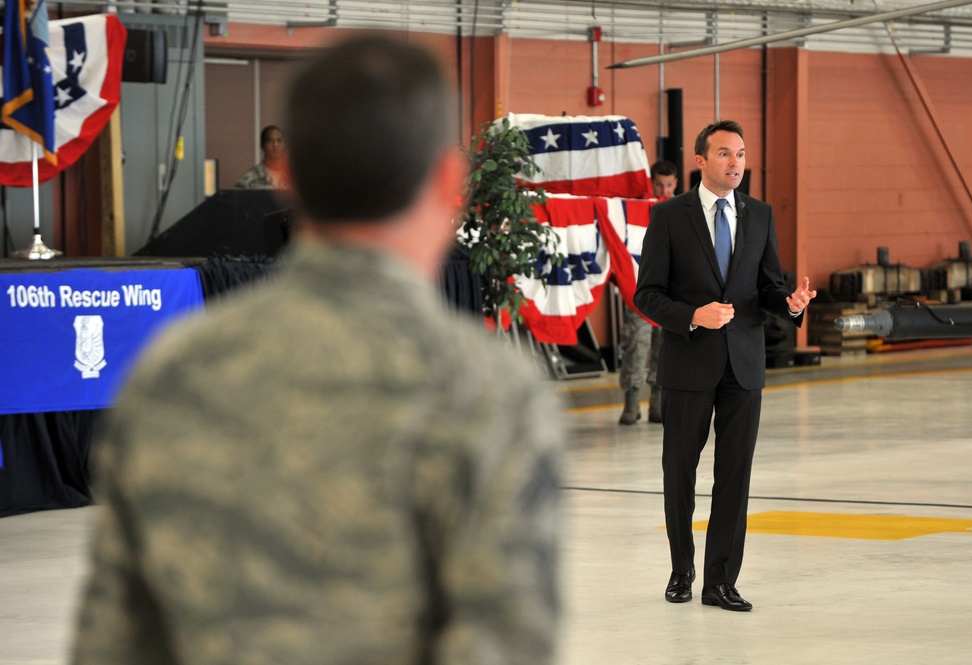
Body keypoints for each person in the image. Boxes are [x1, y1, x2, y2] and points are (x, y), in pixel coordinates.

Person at [72, 34, 564, 664]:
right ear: (450, 182)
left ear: (287, 176)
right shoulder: (491, 394)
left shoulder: (171, 373)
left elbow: (113, 644)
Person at [634, 120, 815, 612]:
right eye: (723, 154)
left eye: (740, 154)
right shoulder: (669, 216)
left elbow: (767, 287)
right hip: (689, 364)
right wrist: (692, 315)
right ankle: (681, 570)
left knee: (735, 475)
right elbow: (646, 294)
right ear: (700, 161)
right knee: (680, 473)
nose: (735, 162)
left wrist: (792, 304)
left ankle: (720, 581)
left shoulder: (759, 214)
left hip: (744, 366)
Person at [618, 160, 677, 425]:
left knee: (665, 349)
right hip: (640, 291)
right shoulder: (638, 209)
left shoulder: (683, 210)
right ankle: (631, 402)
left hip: (672, 294)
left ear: (675, 184)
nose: (664, 189)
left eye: (669, 184)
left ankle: (658, 403)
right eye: (659, 184)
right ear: (651, 182)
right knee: (636, 345)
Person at [233, 124, 289, 189]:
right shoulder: (249, 179)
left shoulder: (296, 177)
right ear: (262, 145)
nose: (275, 145)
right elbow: (235, 198)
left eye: (279, 141)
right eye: (270, 141)